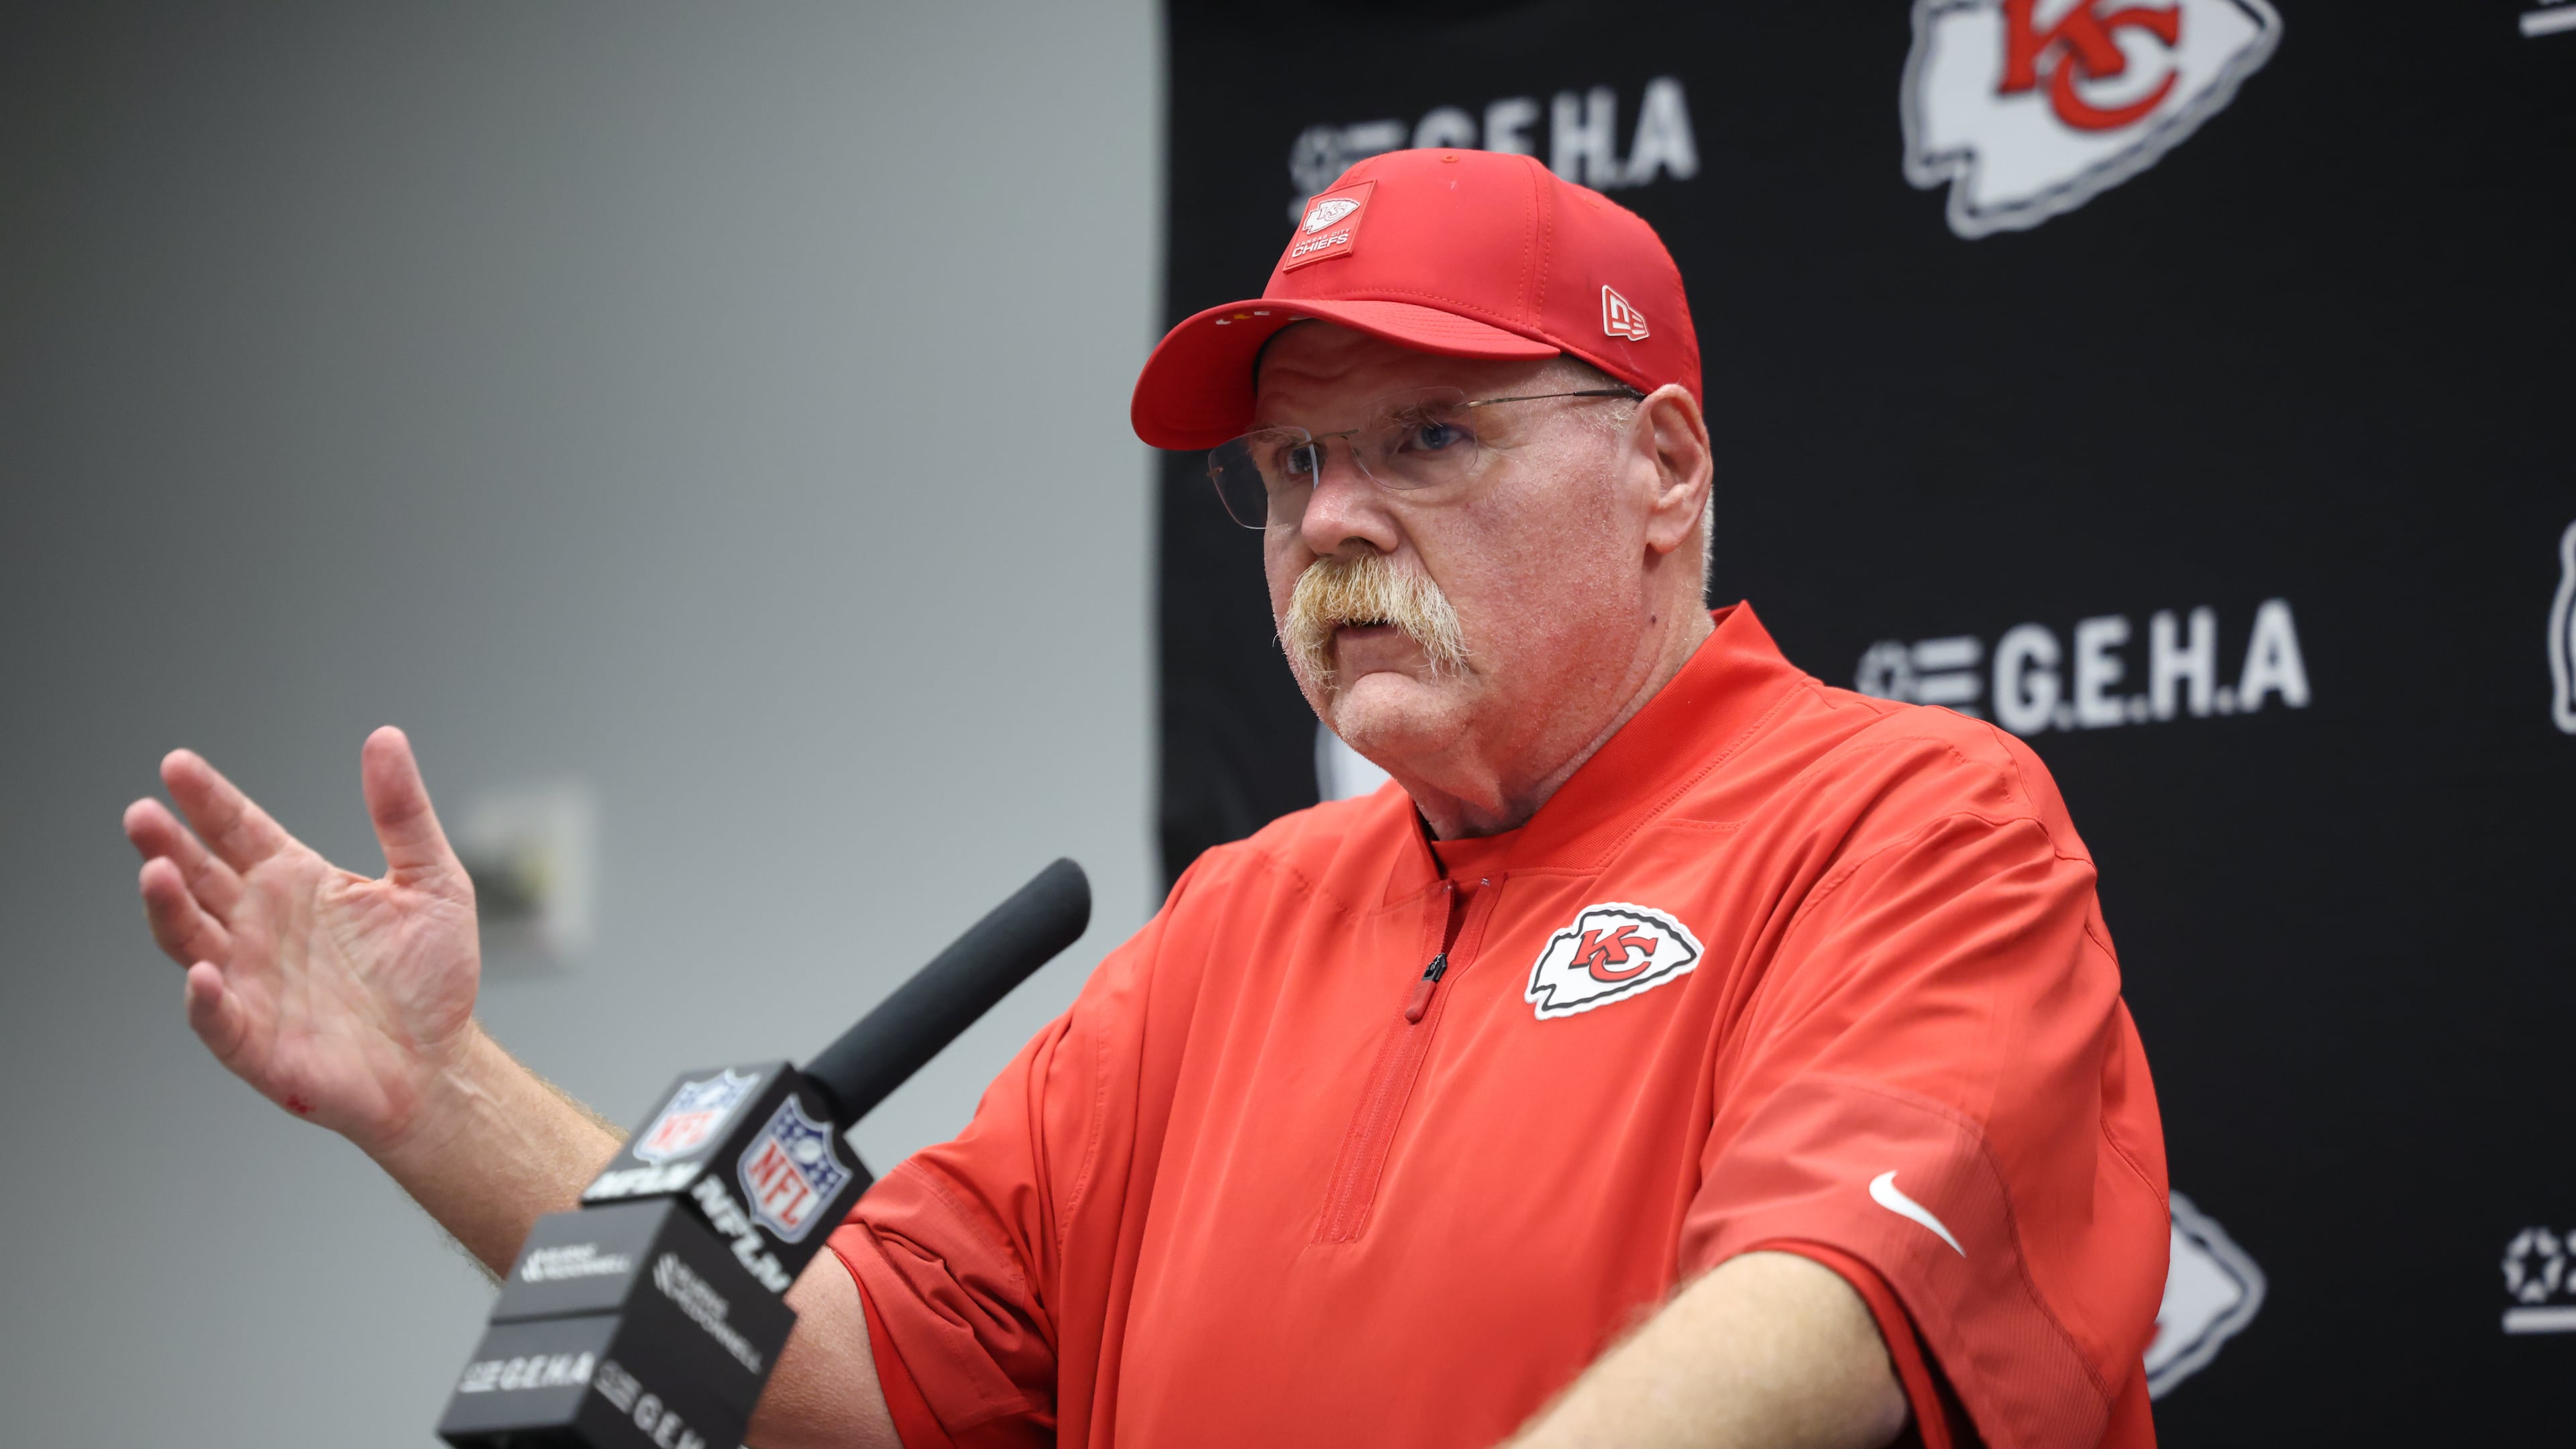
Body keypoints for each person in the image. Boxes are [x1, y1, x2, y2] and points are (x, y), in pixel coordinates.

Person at [124, 148, 2167, 1449]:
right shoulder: (1239, 922)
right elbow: (876, 1374)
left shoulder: (1914, 817)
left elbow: (1819, 1326)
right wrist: (439, 1089)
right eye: (1286, 473)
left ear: (1662, 471)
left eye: (1428, 436)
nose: (1331, 522)